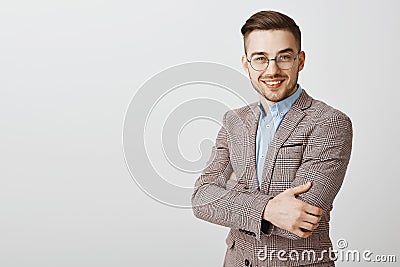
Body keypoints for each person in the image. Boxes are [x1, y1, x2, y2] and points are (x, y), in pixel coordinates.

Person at [191, 10, 353, 267]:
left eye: (284, 57)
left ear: (300, 60)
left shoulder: (329, 122)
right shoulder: (234, 121)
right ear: (246, 64)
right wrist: (268, 209)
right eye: (260, 58)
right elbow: (201, 199)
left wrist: (232, 192)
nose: (272, 70)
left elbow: (300, 218)